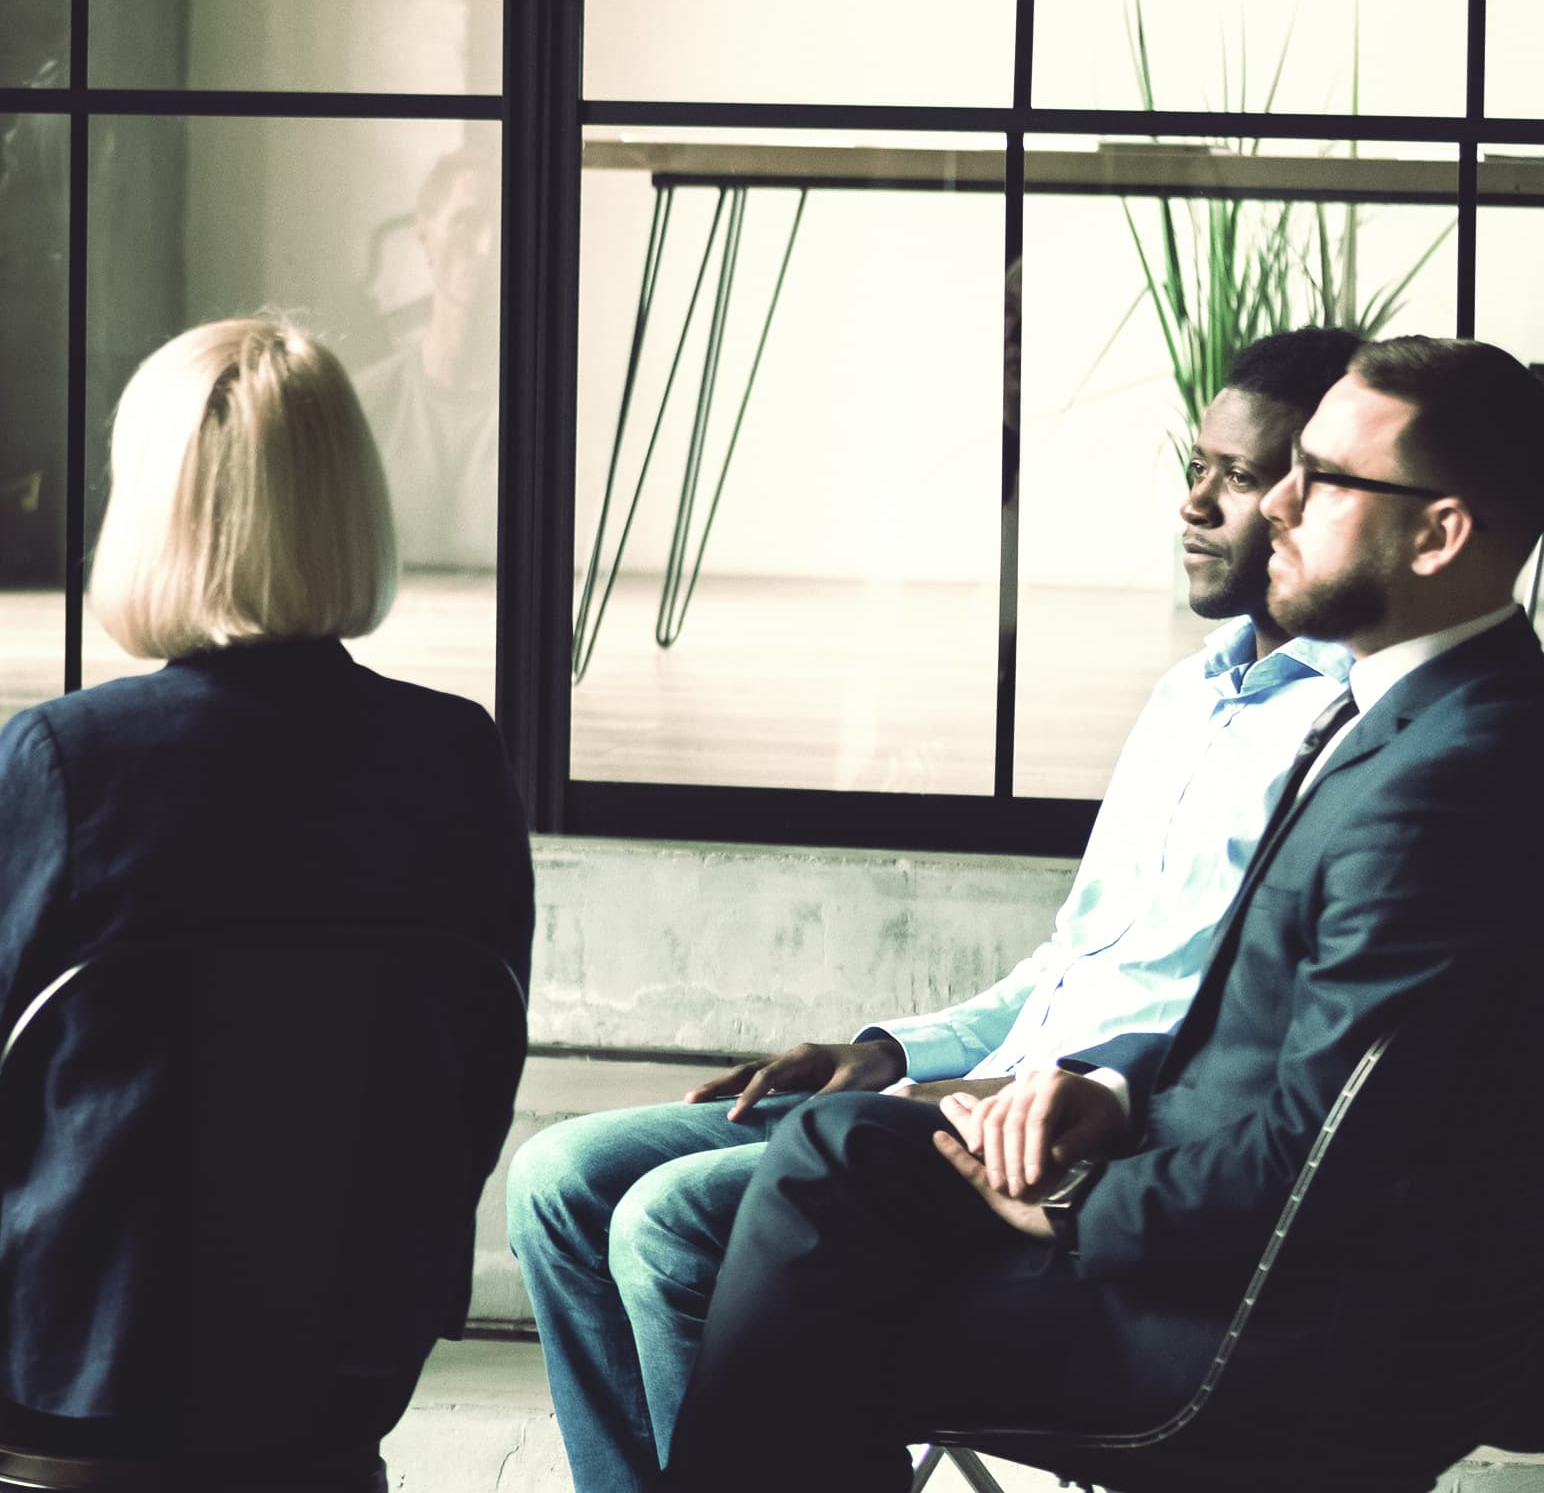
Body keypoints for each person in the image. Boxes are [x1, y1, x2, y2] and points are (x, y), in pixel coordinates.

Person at [662, 336, 1544, 1492]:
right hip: (1210, 1226)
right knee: (848, 1152)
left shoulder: (1444, 775)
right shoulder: (1420, 716)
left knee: (799, 1251)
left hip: (1248, 1336)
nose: (1270, 504)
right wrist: (1109, 1094)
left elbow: (1330, 1151)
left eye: (1319, 477)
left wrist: (1081, 1202)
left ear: (1439, 533)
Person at [505, 325, 1366, 1493]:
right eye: (1196, 463)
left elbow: (1234, 1047)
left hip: (1042, 1146)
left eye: (1238, 474)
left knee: (663, 1222)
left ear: (1310, 499)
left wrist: (990, 1097)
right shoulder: (1186, 693)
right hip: (954, 1090)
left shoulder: (1343, 745)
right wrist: (888, 1047)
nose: (1194, 501)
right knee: (559, 1176)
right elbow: (1068, 958)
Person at [0, 318, 531, 1486]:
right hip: (335, 1367)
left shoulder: (64, 761)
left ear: (150, 507)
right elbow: (468, 1101)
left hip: (76, 1360)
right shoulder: (458, 761)